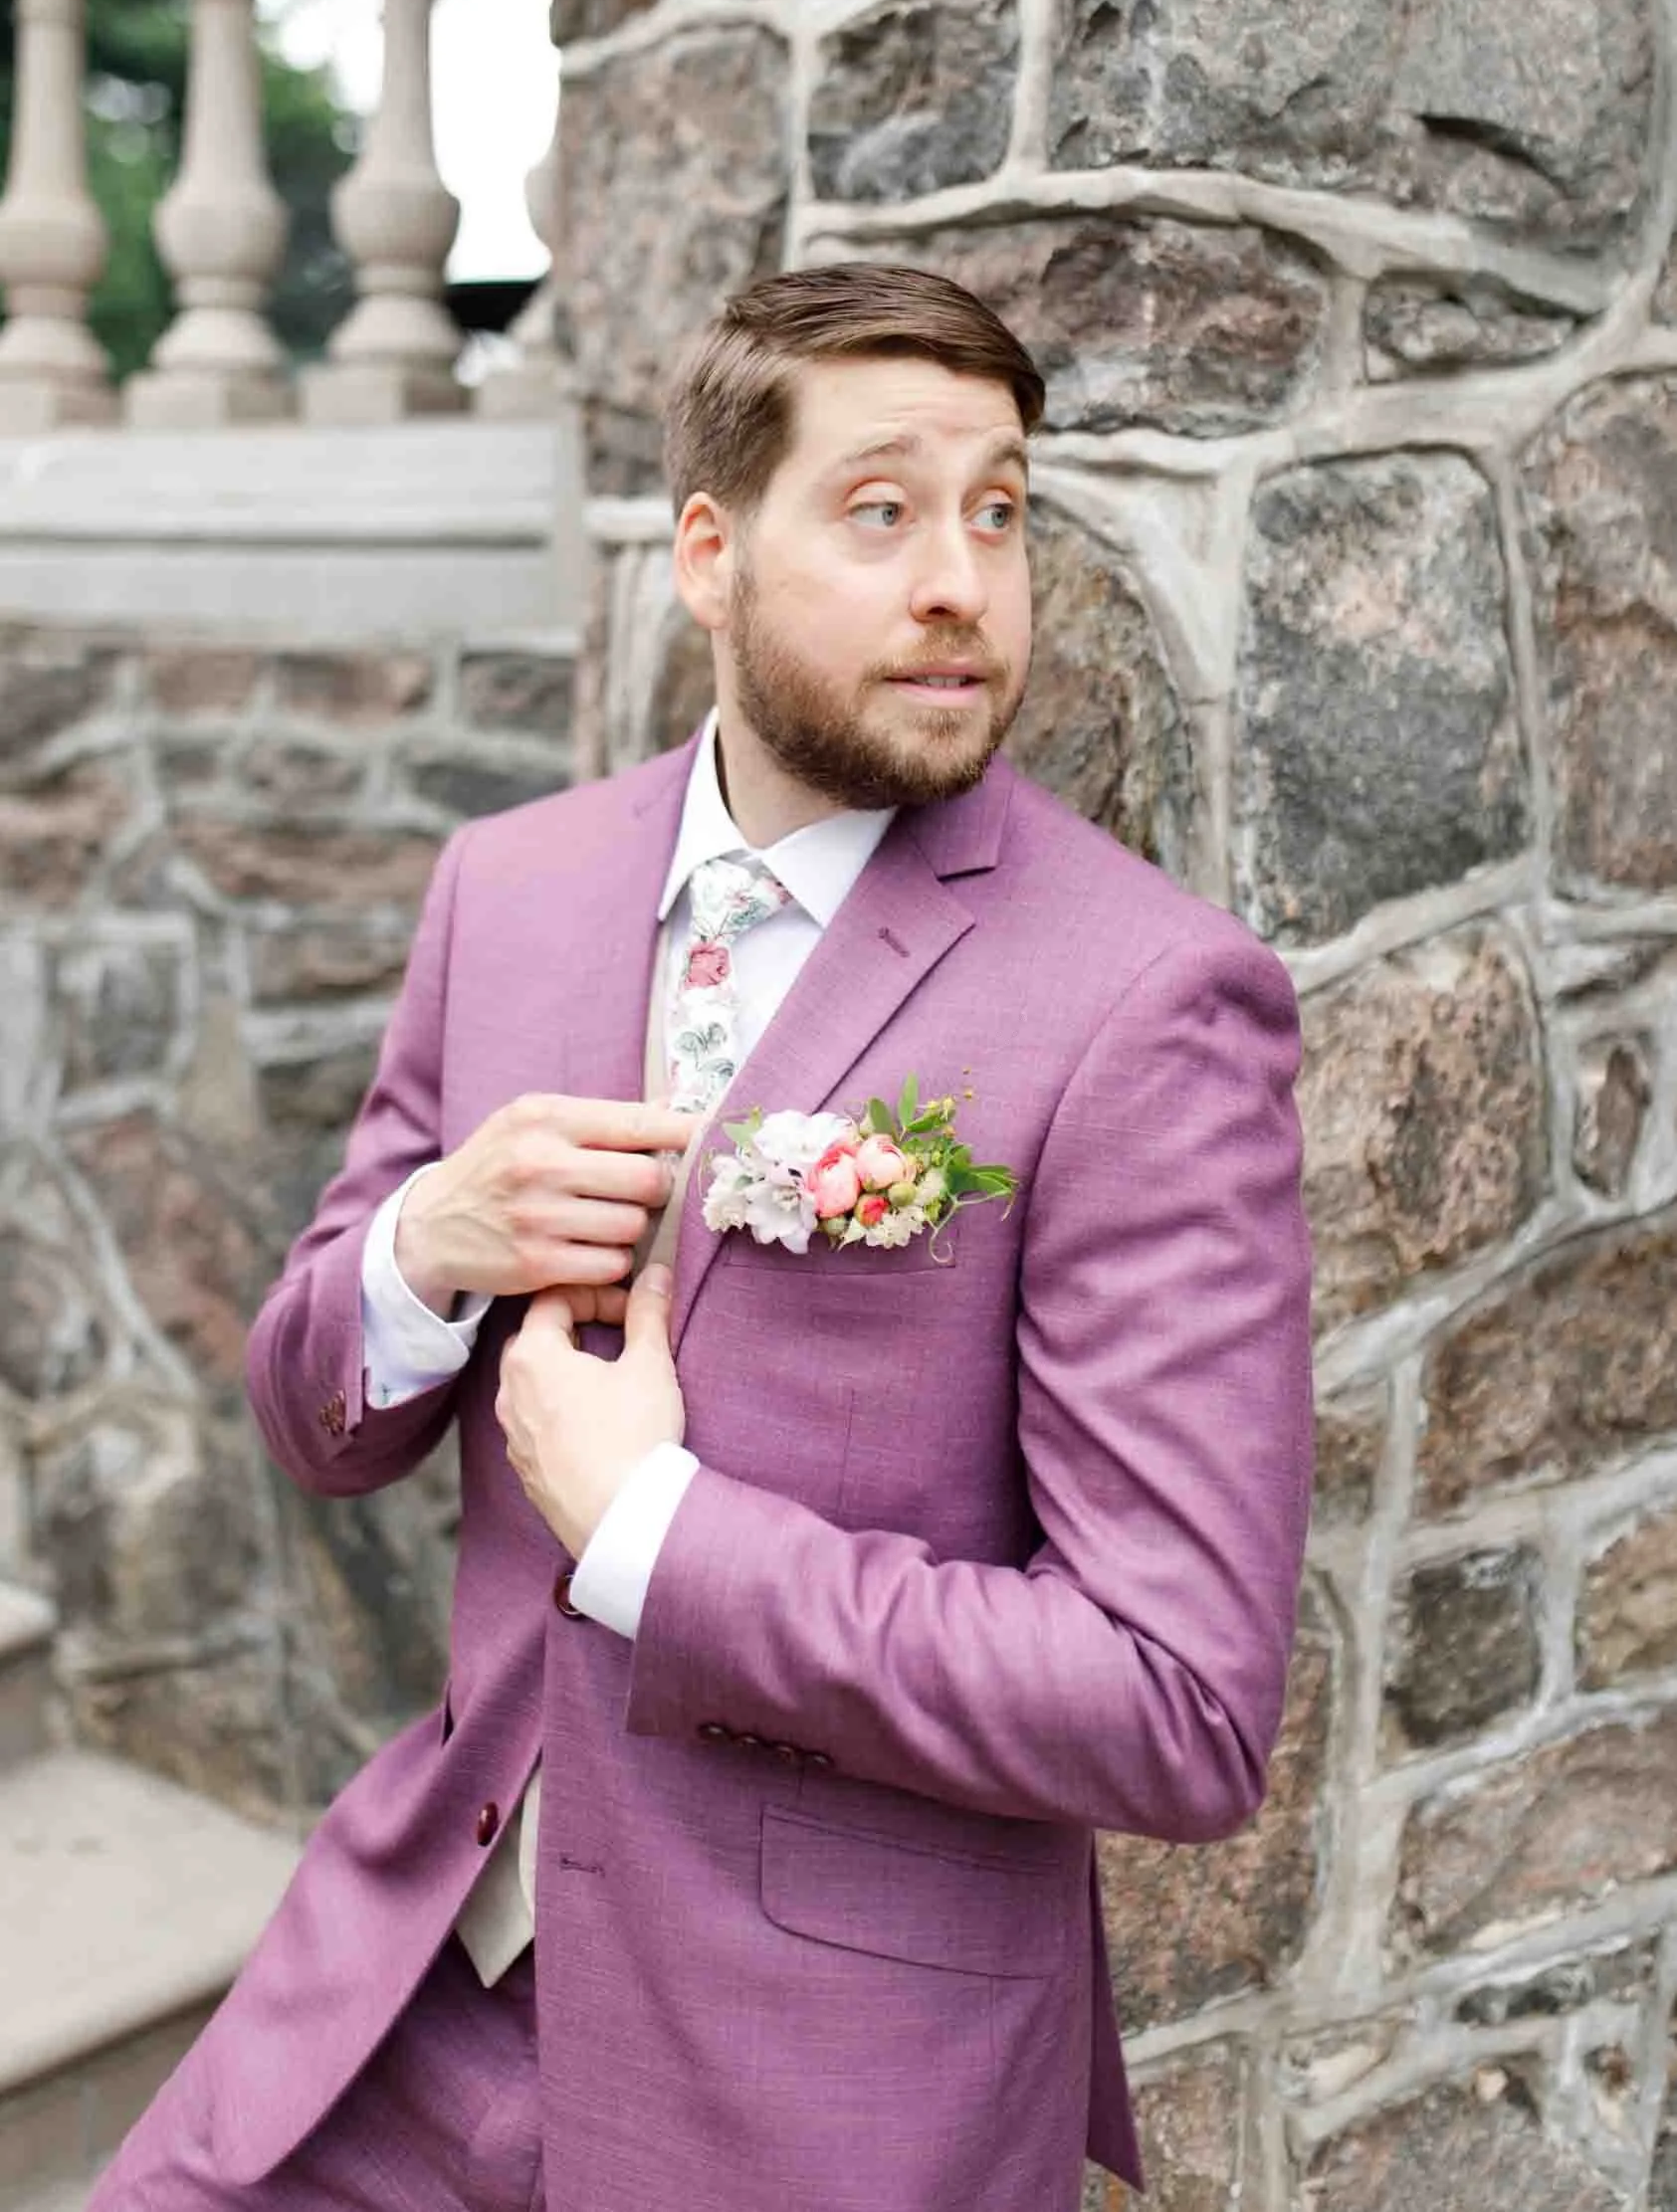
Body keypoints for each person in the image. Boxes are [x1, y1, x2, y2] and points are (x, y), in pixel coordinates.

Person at [92, 263, 1314, 2212]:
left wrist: (654, 1526)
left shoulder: (1146, 1004)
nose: (958, 582)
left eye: (998, 510)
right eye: (880, 507)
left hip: (819, 2090)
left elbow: (1173, 1704)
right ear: (706, 551)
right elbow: (315, 1413)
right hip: (414, 1990)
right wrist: (427, 1242)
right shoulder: (513, 882)